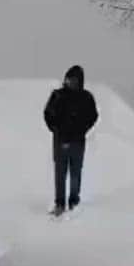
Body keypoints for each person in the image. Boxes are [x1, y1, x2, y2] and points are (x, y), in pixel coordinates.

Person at [43, 65, 98, 216]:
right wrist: (55, 129)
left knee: (75, 173)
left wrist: (82, 129)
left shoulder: (86, 98)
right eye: (69, 79)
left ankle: (74, 201)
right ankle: (59, 204)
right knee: (60, 174)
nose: (71, 82)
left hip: (78, 142)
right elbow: (47, 114)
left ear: (80, 81)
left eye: (74, 79)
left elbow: (93, 116)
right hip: (60, 141)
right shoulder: (57, 95)